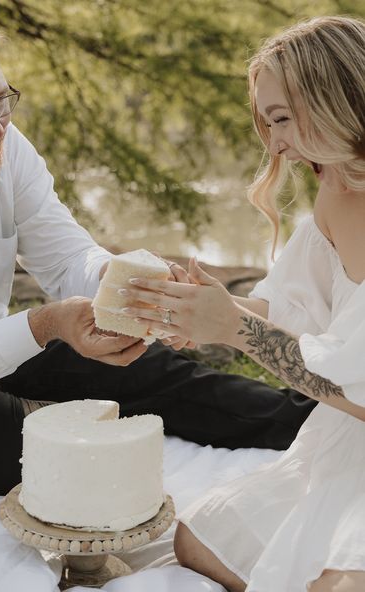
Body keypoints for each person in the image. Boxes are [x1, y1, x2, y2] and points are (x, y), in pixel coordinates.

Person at [0, 8, 315, 497]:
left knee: (150, 369)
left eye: (1, 103)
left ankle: (318, 423)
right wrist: (47, 324)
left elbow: (67, 260)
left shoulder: (1, 147)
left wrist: (129, 285)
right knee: (39, 458)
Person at [121, 15, 365, 592]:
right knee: (198, 538)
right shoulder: (336, 191)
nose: (274, 143)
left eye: (280, 118)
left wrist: (232, 330)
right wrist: (205, 309)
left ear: (333, 99)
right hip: (347, 441)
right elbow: (289, 316)